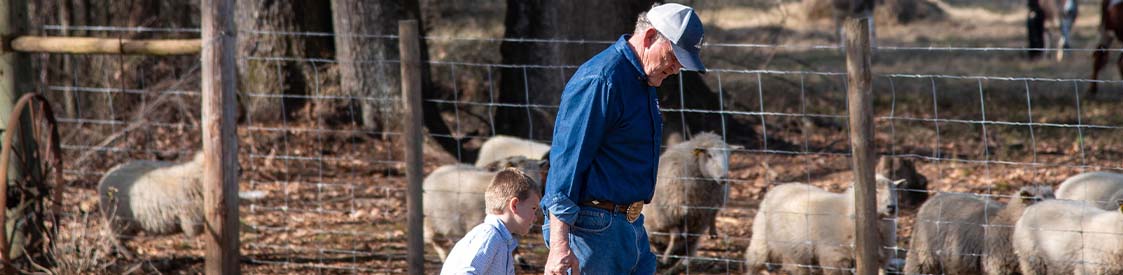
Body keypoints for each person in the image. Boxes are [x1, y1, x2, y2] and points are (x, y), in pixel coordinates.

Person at [540, 3, 706, 274]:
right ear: (650, 36)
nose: (676, 69)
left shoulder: (643, 78)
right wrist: (559, 244)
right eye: (674, 56)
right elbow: (566, 162)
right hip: (591, 229)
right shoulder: (602, 80)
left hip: (630, 225)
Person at [440, 168, 542, 275]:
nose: (535, 218)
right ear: (514, 205)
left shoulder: (503, 242)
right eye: (533, 209)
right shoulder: (489, 235)